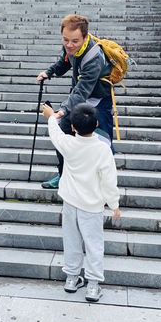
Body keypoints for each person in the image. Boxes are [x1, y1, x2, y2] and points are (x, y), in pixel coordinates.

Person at [42, 101, 120, 303]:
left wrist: (52, 116)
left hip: (70, 202)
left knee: (71, 240)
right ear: (96, 124)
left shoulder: (68, 143)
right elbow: (109, 181)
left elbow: (55, 133)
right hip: (92, 206)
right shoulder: (103, 150)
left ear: (74, 127)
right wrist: (114, 204)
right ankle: (93, 285)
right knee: (94, 244)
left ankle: (71, 278)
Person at [36, 14, 113, 190]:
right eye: (66, 40)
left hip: (98, 100)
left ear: (85, 37)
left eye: (75, 41)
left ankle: (104, 185)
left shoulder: (93, 57)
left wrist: (62, 109)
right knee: (64, 130)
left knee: (102, 142)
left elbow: (82, 90)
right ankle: (64, 176)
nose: (69, 45)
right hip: (79, 97)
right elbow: (64, 62)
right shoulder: (71, 47)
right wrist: (49, 72)